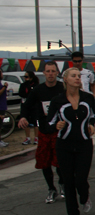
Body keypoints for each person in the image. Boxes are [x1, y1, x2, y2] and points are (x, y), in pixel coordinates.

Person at [47, 67, 95, 215]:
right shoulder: (57, 100)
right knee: (68, 180)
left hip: (84, 144)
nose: (77, 78)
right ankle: (73, 212)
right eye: (73, 76)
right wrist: (56, 126)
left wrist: (91, 124)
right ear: (65, 79)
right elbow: (49, 123)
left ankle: (84, 196)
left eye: (78, 76)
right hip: (64, 145)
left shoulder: (88, 98)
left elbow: (93, 115)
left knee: (81, 179)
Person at [18, 62, 65, 202]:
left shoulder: (62, 88)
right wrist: (23, 117)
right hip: (44, 130)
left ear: (57, 73)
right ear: (44, 73)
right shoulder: (38, 90)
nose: (50, 74)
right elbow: (26, 105)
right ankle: (51, 189)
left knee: (60, 161)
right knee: (44, 161)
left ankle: (62, 184)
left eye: (53, 71)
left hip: (60, 130)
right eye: (48, 71)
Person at [19, 70, 40, 145]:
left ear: (31, 77)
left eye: (27, 76)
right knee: (26, 121)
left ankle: (36, 137)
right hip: (25, 104)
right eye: (24, 77)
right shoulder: (23, 85)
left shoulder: (36, 85)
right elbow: (21, 93)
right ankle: (27, 138)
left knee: (35, 122)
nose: (25, 78)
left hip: (34, 106)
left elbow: (34, 94)